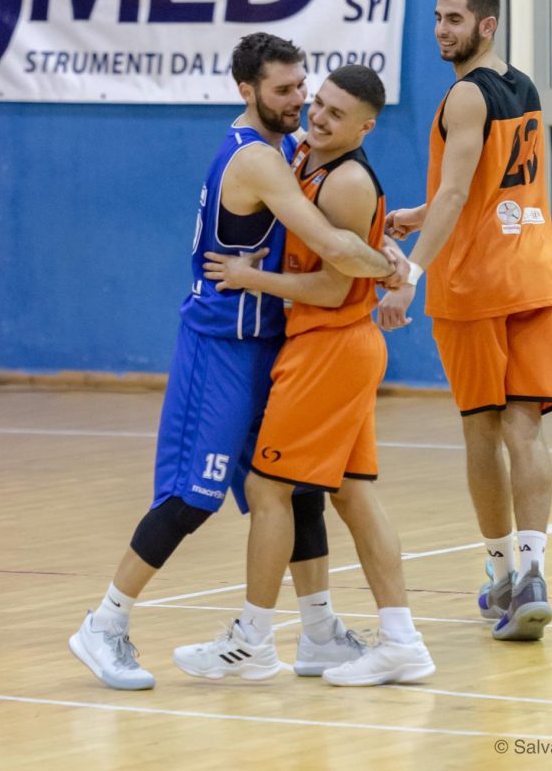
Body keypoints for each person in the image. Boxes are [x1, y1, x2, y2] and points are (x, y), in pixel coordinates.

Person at [69, 35, 399, 690]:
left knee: (296, 487)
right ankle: (104, 623)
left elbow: (343, 214)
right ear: (246, 91)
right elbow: (333, 241)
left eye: (301, 85)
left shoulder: (288, 148)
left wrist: (392, 233)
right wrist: (395, 270)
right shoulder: (257, 160)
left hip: (266, 347)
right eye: (284, 90)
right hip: (218, 347)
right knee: (192, 497)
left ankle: (321, 631)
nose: (299, 100)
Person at [172, 65, 435, 686]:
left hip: (330, 348)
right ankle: (397, 640)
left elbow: (331, 282)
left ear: (365, 127)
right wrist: (390, 252)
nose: (317, 116)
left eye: (335, 115)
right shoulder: (304, 157)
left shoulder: (345, 181)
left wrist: (250, 278)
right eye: (318, 104)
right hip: (337, 346)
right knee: (351, 493)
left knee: (268, 491)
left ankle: (253, 640)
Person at [378, 0, 552, 641]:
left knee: (482, 431)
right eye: (436, 17)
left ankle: (502, 574)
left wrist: (410, 272)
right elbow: (484, 185)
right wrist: (420, 212)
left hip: (475, 286)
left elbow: (458, 196)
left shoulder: (463, 96)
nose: (440, 30)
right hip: (532, 273)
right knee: (527, 430)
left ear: (487, 25)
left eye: (454, 19)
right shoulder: (524, 86)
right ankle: (536, 568)